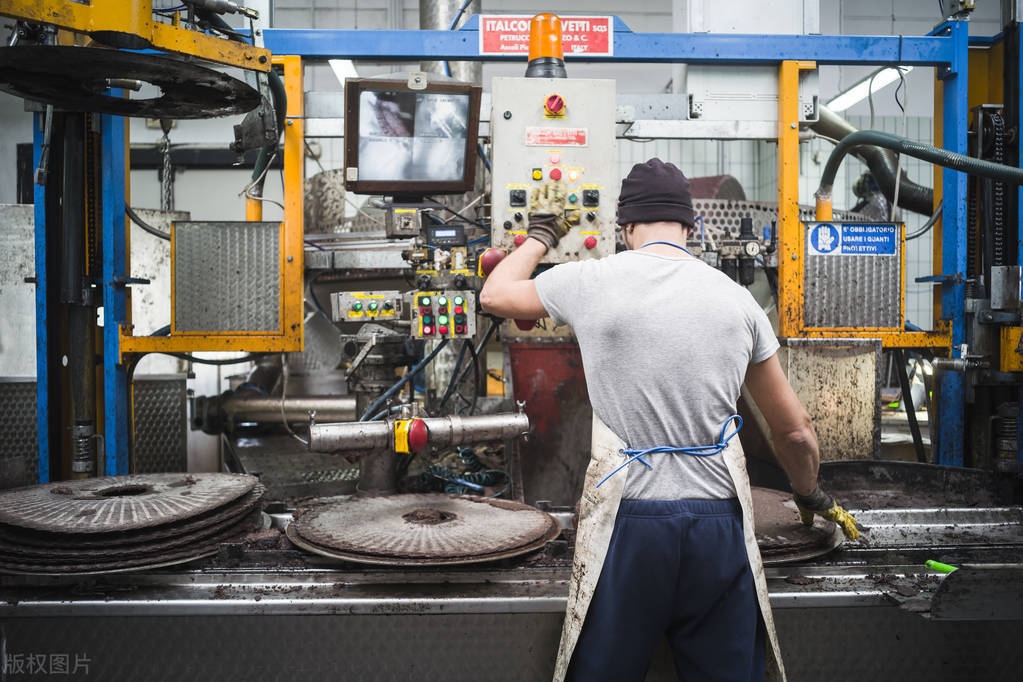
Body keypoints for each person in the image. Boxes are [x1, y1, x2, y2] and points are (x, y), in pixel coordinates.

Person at [479, 158, 860, 682]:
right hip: (717, 526)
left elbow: (495, 294)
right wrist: (810, 494)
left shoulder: (590, 280)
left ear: (626, 226)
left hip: (628, 525)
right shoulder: (739, 301)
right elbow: (795, 431)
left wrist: (541, 235)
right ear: (690, 226)